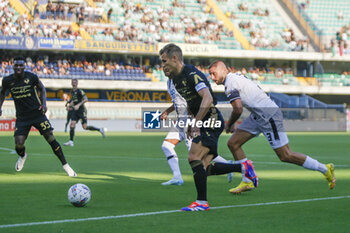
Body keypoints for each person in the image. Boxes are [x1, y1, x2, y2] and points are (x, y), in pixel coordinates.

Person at [208, 60, 336, 193]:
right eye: (210, 75)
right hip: (257, 116)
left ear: (223, 70)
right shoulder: (234, 78)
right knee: (233, 143)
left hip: (268, 116)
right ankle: (247, 181)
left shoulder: (230, 82)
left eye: (214, 73)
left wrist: (229, 125)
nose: (212, 78)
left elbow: (238, 109)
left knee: (286, 155)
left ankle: (325, 169)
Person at [159, 43, 258, 211]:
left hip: (210, 118)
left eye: (164, 61)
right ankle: (243, 166)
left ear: (174, 58)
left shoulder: (191, 73)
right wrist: (192, 120)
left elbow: (207, 98)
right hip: (202, 119)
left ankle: (202, 202)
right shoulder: (175, 79)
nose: (162, 65)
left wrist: (197, 121)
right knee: (205, 168)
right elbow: (192, 102)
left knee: (193, 158)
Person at [0, 56, 77, 176]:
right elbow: (2, 93)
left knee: (50, 138)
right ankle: (22, 156)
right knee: (19, 143)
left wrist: (44, 104)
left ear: (24, 66)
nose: (19, 67)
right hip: (22, 117)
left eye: (21, 65)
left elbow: (42, 88)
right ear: (12, 66)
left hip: (37, 114)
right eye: (16, 65)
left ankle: (66, 166)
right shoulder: (7, 80)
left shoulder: (31, 77)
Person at [161, 78, 233, 186]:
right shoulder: (169, 82)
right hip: (181, 122)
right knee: (167, 146)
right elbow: (177, 103)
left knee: (197, 153)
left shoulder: (182, 79)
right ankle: (177, 177)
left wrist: (194, 121)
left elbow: (191, 101)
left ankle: (228, 166)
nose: (165, 68)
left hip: (189, 121)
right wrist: (167, 111)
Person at [63, 79, 106, 147]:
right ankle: (71, 141)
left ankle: (100, 129)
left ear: (77, 83)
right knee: (72, 124)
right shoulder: (72, 92)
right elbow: (73, 102)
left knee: (85, 127)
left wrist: (78, 105)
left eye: (75, 82)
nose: (74, 83)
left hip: (82, 111)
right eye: (73, 82)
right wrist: (69, 106)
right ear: (71, 83)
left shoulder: (80, 91)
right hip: (75, 111)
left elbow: (86, 99)